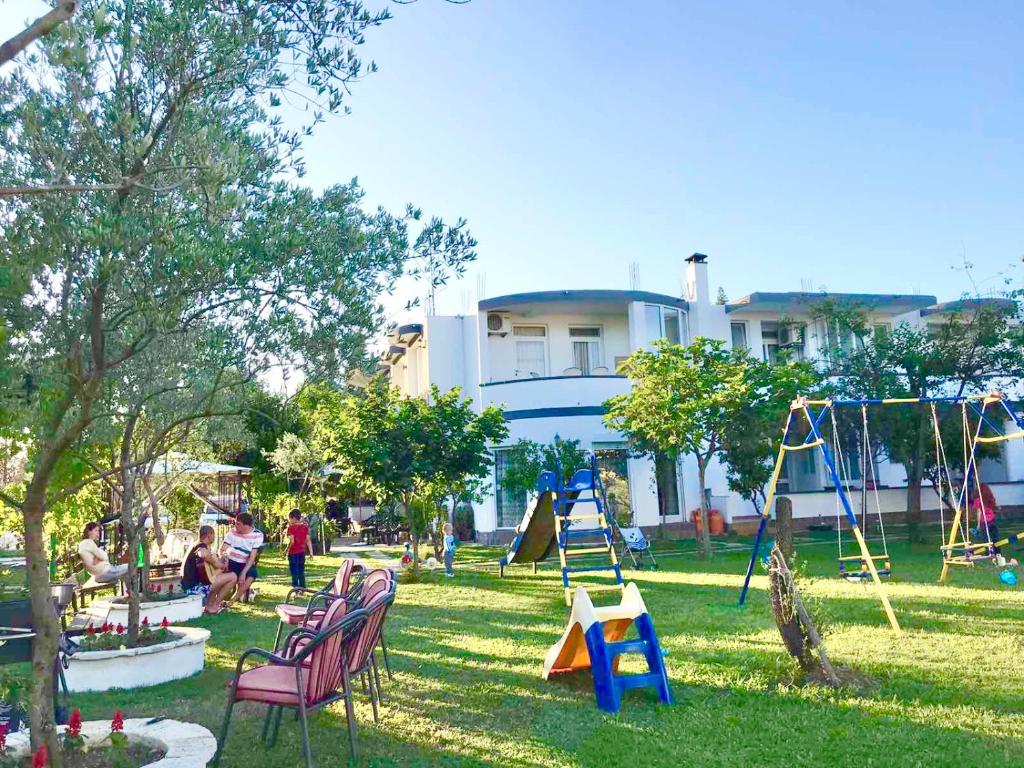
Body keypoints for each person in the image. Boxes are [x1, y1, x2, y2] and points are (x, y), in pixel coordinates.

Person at [181, 525, 237, 614]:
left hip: (192, 585)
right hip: (194, 588)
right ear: (209, 534)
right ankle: (214, 606)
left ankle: (209, 606)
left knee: (219, 577)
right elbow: (202, 554)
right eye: (213, 535)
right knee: (233, 577)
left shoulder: (197, 545)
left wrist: (221, 563)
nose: (214, 537)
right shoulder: (201, 545)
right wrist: (216, 564)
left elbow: (208, 572)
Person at [221, 512, 264, 602]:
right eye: (235, 523)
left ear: (246, 525)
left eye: (238, 523)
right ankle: (218, 598)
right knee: (223, 570)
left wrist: (243, 573)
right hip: (231, 560)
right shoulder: (232, 532)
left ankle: (232, 601)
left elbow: (252, 556)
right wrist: (224, 557)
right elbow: (222, 549)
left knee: (252, 574)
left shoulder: (258, 535)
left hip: (245, 562)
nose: (235, 525)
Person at [285, 509, 313, 588]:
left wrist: (286, 550)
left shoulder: (291, 528)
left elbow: (292, 541)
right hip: (301, 552)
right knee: (301, 571)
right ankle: (303, 588)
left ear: (293, 518)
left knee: (294, 571)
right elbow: (308, 540)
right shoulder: (305, 527)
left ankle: (296, 589)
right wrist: (311, 552)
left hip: (293, 553)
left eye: (289, 518)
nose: (289, 520)